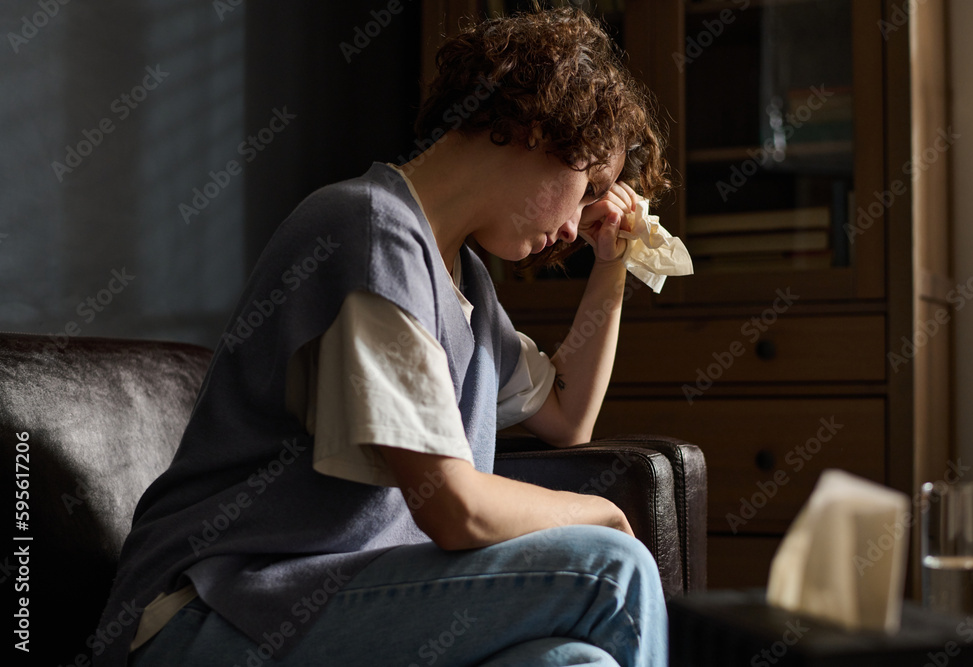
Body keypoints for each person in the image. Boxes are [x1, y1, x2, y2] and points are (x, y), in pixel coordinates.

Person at [96, 6, 672, 666]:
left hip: (343, 610)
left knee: (573, 663)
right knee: (611, 570)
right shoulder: (369, 233)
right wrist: (595, 510)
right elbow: (454, 509)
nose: (574, 226)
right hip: (210, 615)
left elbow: (568, 415)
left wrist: (612, 265)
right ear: (539, 125)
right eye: (587, 187)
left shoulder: (467, 287)